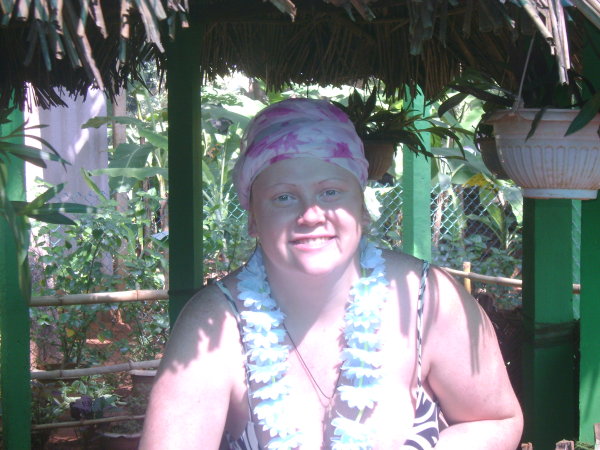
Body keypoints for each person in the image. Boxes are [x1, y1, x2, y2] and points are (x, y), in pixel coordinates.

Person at [140, 98, 523, 449]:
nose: (311, 215)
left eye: (330, 192)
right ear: (254, 218)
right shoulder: (214, 325)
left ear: (361, 207)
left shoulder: (426, 298)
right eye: (284, 197)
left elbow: (494, 419)